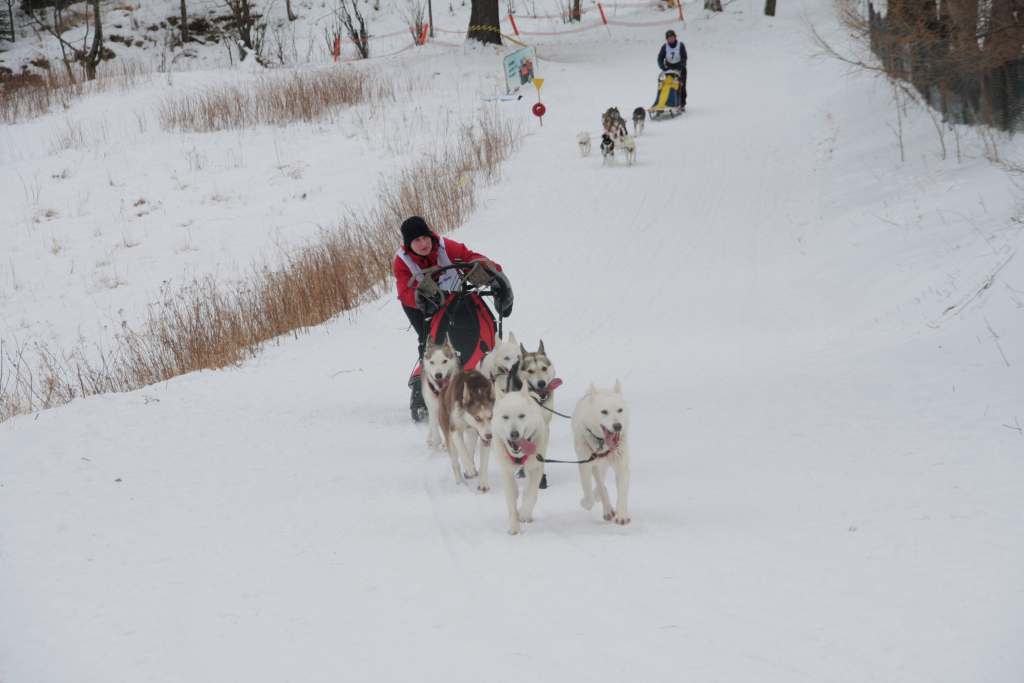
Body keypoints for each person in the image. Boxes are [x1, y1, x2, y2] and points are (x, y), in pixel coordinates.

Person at [394, 215, 512, 420]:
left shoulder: (444, 246)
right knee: (428, 341)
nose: (423, 244)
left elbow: (471, 256)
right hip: (421, 305)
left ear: (430, 235)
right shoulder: (402, 262)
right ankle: (425, 383)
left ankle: (484, 371)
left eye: (425, 238)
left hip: (456, 298)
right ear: (408, 244)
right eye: (416, 241)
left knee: (471, 331)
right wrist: (420, 297)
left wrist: (490, 270)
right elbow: (404, 291)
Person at [657, 29, 687, 110]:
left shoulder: (680, 45)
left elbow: (684, 57)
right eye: (669, 38)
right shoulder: (664, 47)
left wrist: (681, 66)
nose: (670, 39)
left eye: (672, 37)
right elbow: (660, 58)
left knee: (681, 86)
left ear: (675, 37)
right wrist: (663, 67)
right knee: (664, 84)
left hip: (680, 68)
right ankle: (662, 102)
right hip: (668, 68)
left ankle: (682, 104)